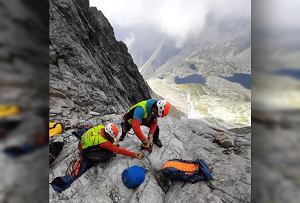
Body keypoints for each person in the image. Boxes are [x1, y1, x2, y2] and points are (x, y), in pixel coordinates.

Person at [79, 123, 144, 163]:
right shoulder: (102, 141)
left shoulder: (101, 127)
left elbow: (110, 140)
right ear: (107, 135)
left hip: (82, 141)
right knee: (109, 153)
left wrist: (112, 142)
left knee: (110, 143)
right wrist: (134, 155)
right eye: (111, 137)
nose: (112, 138)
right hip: (84, 150)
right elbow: (119, 151)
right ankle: (87, 157)